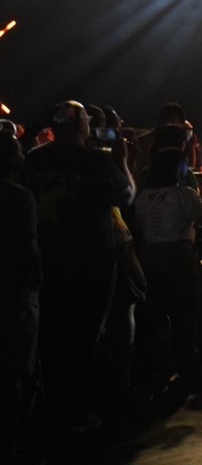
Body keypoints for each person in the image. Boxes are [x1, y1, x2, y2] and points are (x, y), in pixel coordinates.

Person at [21, 101, 134, 430]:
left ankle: (53, 410)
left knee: (53, 335)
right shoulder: (95, 160)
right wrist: (122, 161)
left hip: (48, 255)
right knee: (85, 337)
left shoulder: (35, 159)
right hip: (91, 258)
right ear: (83, 125)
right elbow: (126, 197)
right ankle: (79, 412)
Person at [131, 146, 202, 396]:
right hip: (179, 259)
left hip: (150, 260)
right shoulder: (184, 194)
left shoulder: (144, 196)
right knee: (185, 315)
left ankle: (160, 367)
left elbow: (138, 227)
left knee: (157, 316)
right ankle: (187, 367)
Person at [0, 134, 40, 459]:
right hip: (14, 291)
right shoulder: (19, 197)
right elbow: (29, 247)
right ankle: (12, 445)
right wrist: (36, 283)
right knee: (15, 371)